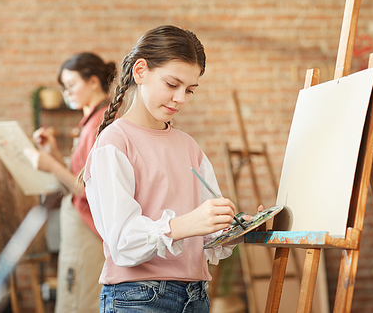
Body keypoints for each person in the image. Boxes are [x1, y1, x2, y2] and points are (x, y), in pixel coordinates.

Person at [83, 25, 260, 313]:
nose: (181, 98)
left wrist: (234, 229)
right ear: (140, 71)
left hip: (196, 295)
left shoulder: (189, 146)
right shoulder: (114, 142)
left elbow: (200, 234)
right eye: (172, 84)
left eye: (190, 90)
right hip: (138, 298)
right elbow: (123, 243)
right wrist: (188, 223)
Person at [25, 52, 116, 313]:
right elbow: (78, 176)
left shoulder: (102, 122)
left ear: (94, 81)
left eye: (72, 85)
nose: (68, 93)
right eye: (64, 88)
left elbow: (91, 190)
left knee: (79, 300)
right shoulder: (91, 120)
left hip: (88, 230)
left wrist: (51, 165)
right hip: (82, 226)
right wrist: (54, 152)